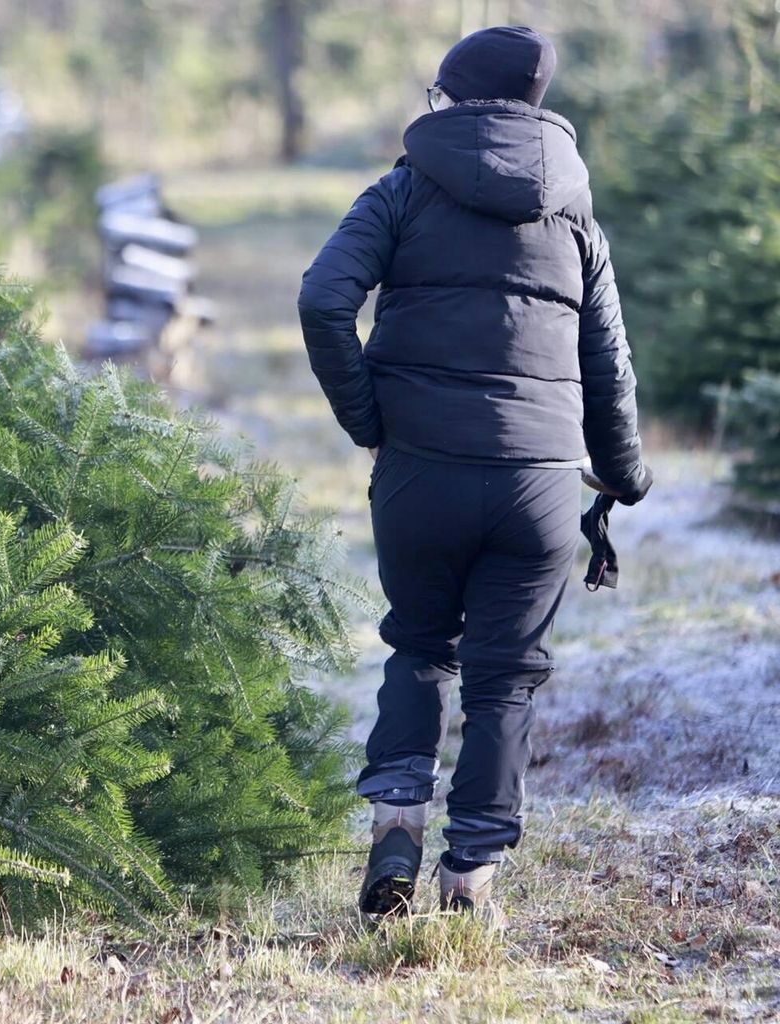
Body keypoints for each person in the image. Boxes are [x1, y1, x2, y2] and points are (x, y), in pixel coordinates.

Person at [296, 25, 653, 923]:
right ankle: (471, 883)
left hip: (421, 472)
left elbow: (321, 298)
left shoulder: (402, 190)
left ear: (450, 99)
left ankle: (396, 828)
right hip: (538, 482)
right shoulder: (576, 216)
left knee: (419, 647)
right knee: (504, 680)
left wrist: (371, 422)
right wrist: (622, 477)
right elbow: (608, 362)